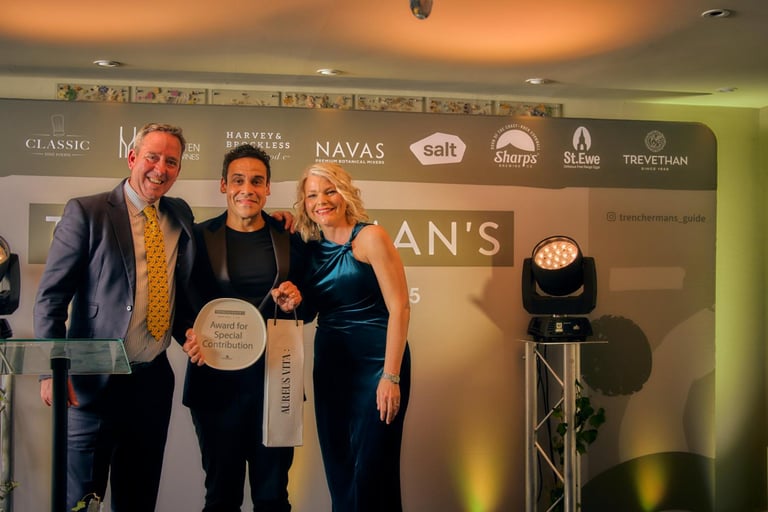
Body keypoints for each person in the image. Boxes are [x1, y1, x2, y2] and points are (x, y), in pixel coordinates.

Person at [34, 122, 195, 511]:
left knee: (138, 500)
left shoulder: (179, 214)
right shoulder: (87, 212)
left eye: (171, 161)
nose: (160, 169)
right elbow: (51, 299)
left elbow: (177, 291)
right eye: (152, 157)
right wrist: (50, 371)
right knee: (81, 501)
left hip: (152, 383)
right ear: (132, 157)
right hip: (91, 385)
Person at [176, 143, 304, 512]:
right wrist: (187, 336)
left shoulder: (289, 237)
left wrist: (298, 300)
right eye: (238, 180)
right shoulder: (198, 238)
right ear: (223, 185)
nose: (247, 189)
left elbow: (309, 306)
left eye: (256, 181)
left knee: (273, 497)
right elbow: (180, 305)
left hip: (277, 383)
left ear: (268, 188)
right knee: (221, 497)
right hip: (215, 386)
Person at [292, 162, 412, 512]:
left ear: (345, 194)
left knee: (372, 471)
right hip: (331, 367)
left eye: (329, 191)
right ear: (304, 203)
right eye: (312, 195)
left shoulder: (371, 237)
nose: (321, 201)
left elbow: (400, 308)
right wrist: (293, 301)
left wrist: (391, 376)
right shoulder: (308, 247)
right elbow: (309, 311)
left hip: (378, 366)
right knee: (341, 468)